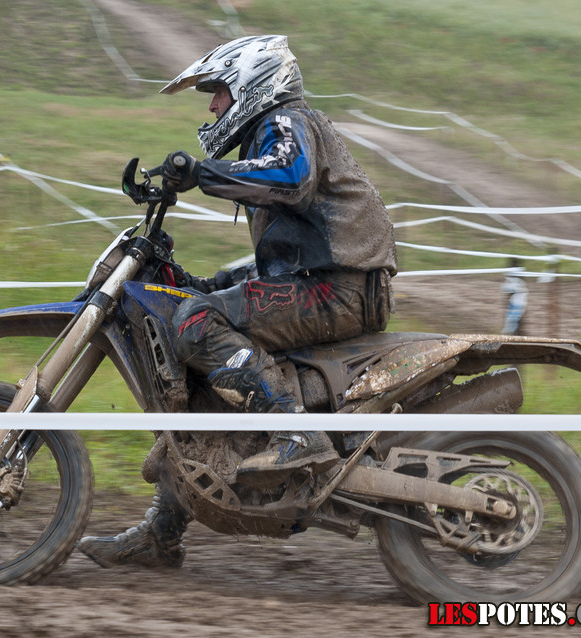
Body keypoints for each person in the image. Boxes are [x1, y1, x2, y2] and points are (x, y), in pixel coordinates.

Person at [77, 35, 398, 569]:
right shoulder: (268, 135)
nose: (211, 106)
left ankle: (298, 434)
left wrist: (200, 173)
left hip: (338, 289)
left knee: (196, 322)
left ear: (253, 85)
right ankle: (162, 532)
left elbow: (291, 180)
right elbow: (281, 262)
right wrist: (200, 282)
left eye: (218, 92)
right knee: (196, 312)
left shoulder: (285, 121)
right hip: (324, 282)